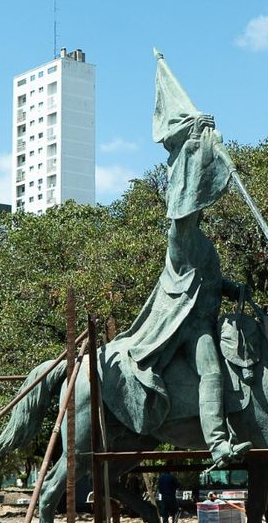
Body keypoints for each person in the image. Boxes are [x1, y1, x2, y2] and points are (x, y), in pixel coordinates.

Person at [102, 52, 252, 468]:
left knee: (219, 370)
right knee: (212, 372)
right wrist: (195, 147)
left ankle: (221, 439)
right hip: (181, 325)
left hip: (204, 319)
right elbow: (180, 209)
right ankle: (218, 443)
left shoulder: (204, 246)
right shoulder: (182, 239)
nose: (199, 210)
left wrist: (232, 288)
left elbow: (206, 281)